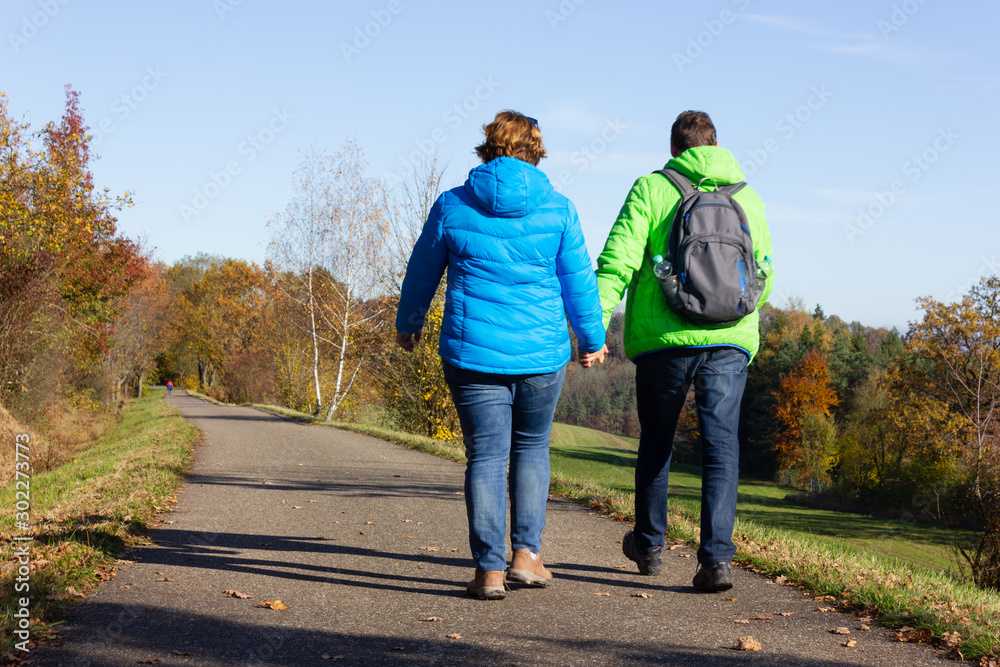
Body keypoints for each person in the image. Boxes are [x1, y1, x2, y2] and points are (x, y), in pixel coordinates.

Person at [396, 110, 606, 599]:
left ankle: (489, 570)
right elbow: (579, 280)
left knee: (486, 456)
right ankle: (526, 557)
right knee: (532, 447)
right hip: (540, 354)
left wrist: (409, 327)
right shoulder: (559, 208)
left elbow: (421, 273)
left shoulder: (453, 205)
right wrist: (591, 340)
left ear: (487, 148)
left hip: (473, 354)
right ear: (536, 152)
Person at [583, 111, 774, 592]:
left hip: (664, 341)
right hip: (730, 340)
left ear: (675, 149)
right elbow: (765, 270)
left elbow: (617, 260)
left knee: (657, 442)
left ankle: (648, 545)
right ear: (715, 143)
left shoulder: (652, 188)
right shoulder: (748, 197)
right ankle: (717, 562)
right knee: (721, 447)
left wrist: (594, 327)